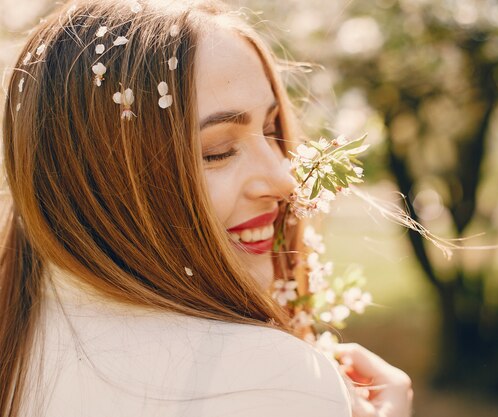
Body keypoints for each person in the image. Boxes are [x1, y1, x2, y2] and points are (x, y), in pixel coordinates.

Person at [0, 0, 413, 416]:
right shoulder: (275, 379)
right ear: (100, 180)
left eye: (272, 130)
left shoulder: (17, 338)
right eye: (217, 151)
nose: (283, 180)